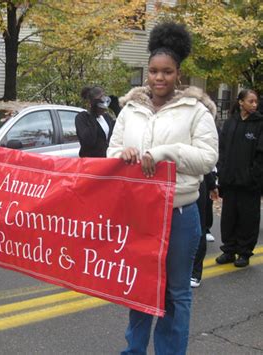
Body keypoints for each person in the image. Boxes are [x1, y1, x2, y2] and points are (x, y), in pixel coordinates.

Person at [107, 22, 218, 355]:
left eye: (166, 72)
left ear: (178, 73)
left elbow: (207, 158)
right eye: (154, 71)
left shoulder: (196, 111)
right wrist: (122, 156)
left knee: (175, 294)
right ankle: (134, 351)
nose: (159, 78)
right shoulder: (130, 110)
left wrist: (168, 153)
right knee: (139, 288)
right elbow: (110, 152)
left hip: (180, 214)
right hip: (139, 214)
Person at [215, 89, 263, 268]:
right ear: (241, 102)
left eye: (256, 102)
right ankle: (228, 250)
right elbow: (222, 149)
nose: (254, 104)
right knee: (229, 217)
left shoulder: (259, 124)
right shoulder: (229, 123)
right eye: (250, 101)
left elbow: (260, 155)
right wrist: (222, 171)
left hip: (249, 183)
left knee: (247, 218)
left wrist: (253, 175)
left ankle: (244, 252)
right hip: (229, 180)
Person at [191, 172, 219, 288]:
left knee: (198, 227)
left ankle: (195, 272)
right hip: (173, 184)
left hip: (196, 184)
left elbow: (205, 162)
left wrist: (212, 185)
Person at [75, 86, 115, 158]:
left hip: (106, 161)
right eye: (101, 100)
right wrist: (93, 115)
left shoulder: (106, 117)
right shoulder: (82, 118)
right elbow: (88, 142)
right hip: (91, 163)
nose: (104, 103)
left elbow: (115, 136)